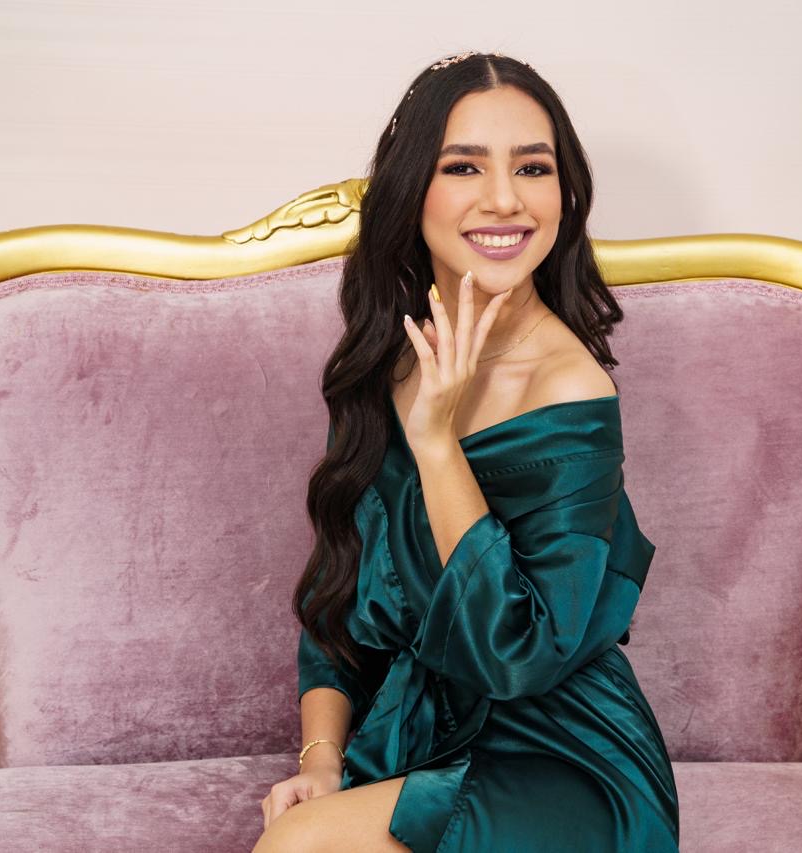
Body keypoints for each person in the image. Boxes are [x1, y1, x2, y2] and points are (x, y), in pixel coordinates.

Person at [254, 50, 680, 853]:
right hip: (420, 742)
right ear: (412, 186)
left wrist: (438, 445)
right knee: (303, 831)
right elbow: (337, 604)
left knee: (298, 846)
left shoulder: (568, 389)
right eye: (464, 166)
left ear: (564, 193)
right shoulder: (390, 356)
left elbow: (519, 653)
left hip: (564, 759)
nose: (504, 199)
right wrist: (322, 757)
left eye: (533, 167)